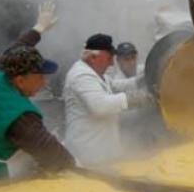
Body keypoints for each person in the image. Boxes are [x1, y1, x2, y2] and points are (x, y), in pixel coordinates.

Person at [0, 2, 75, 185]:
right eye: (40, 77)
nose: (45, 81)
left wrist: (39, 28)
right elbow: (57, 158)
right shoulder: (19, 117)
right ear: (20, 80)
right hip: (1, 183)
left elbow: (15, 49)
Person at [63, 33, 152, 165]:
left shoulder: (96, 73)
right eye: (109, 57)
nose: (111, 63)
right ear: (93, 57)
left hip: (103, 152)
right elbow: (100, 106)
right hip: (89, 153)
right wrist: (139, 98)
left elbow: (116, 86)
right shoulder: (81, 76)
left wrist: (146, 78)